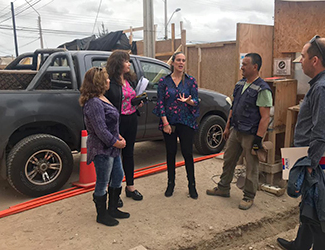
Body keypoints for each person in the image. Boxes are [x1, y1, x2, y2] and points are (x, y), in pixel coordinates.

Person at [277, 36, 325, 249]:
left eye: (303, 56)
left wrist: (310, 165)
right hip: (315, 156)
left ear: (315, 60)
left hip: (316, 159)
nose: (300, 60)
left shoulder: (323, 88)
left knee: (318, 212)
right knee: (310, 205)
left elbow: (321, 132)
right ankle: (301, 245)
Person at [206, 53, 272, 210]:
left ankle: (249, 196)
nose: (242, 67)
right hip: (236, 130)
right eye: (242, 64)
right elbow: (233, 107)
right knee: (228, 159)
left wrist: (258, 139)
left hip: (251, 134)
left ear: (255, 67)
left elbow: (265, 117)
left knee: (251, 166)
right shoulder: (240, 84)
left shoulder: (263, 89)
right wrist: (228, 127)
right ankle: (223, 188)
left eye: (245, 64)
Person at [79, 67, 130, 227]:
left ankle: (113, 208)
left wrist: (118, 136)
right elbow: (100, 130)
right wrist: (117, 142)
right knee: (102, 181)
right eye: (106, 78)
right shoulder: (94, 103)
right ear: (98, 82)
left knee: (117, 177)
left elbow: (110, 125)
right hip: (102, 150)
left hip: (112, 148)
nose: (109, 80)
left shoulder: (102, 98)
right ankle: (102, 215)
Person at [152, 52, 200, 199]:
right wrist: (165, 123)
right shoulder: (164, 82)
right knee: (171, 153)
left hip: (186, 122)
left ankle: (192, 186)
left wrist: (189, 102)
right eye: (178, 60)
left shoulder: (191, 81)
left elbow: (197, 101)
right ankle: (170, 184)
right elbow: (160, 103)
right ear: (172, 63)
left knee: (187, 153)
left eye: (183, 60)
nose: (181, 63)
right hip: (169, 123)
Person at [105, 50, 143, 207]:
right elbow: (105, 105)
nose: (129, 64)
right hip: (116, 122)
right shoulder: (109, 83)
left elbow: (130, 99)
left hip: (131, 119)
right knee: (114, 156)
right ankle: (114, 191)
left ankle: (130, 187)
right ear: (118, 63)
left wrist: (138, 102)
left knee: (129, 154)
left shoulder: (130, 80)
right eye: (126, 61)